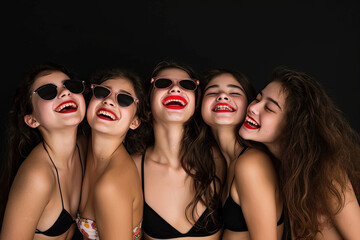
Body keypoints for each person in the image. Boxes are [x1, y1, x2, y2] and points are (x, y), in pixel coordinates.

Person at [239, 66, 360, 240]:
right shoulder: (277, 167)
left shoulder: (325, 171)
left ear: (292, 126)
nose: (253, 108)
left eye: (269, 108)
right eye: (257, 98)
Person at [132, 60, 225, 240]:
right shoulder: (133, 166)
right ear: (148, 98)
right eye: (163, 83)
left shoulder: (218, 159)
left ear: (196, 101)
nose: (175, 89)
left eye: (186, 85)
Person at [0, 62, 87, 240]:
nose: (65, 92)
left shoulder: (85, 148)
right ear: (32, 120)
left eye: (71, 85)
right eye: (48, 91)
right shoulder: (37, 176)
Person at [200, 69, 284, 240]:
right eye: (213, 92)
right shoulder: (219, 161)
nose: (223, 96)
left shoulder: (252, 163)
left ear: (250, 105)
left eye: (234, 92)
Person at [76, 67, 146, 240]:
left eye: (124, 99)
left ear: (135, 122)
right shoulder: (82, 151)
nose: (109, 101)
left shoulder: (111, 185)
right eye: (102, 92)